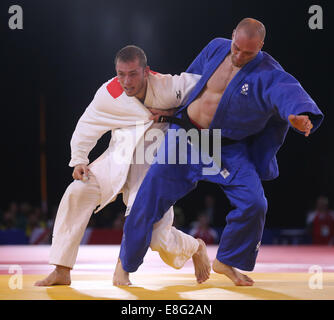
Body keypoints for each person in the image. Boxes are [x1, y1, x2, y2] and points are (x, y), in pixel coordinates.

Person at [117, 18, 324, 286]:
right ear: (232, 36)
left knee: (254, 203)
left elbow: (287, 93)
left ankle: (226, 260)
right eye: (237, 47)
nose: (239, 55)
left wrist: (296, 115)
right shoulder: (216, 48)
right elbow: (188, 85)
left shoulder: (269, 73)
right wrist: (171, 112)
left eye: (248, 52)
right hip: (186, 136)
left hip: (225, 148)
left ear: (261, 46)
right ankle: (125, 266)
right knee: (147, 196)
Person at [34, 45, 211, 287]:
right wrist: (79, 159)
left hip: (151, 170)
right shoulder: (109, 93)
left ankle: (195, 246)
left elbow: (210, 93)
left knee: (158, 239)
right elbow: (87, 124)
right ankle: (62, 269)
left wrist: (173, 113)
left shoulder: (170, 86)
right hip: (115, 162)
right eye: (121, 74)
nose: (126, 81)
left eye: (133, 74)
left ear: (146, 71)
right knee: (76, 192)